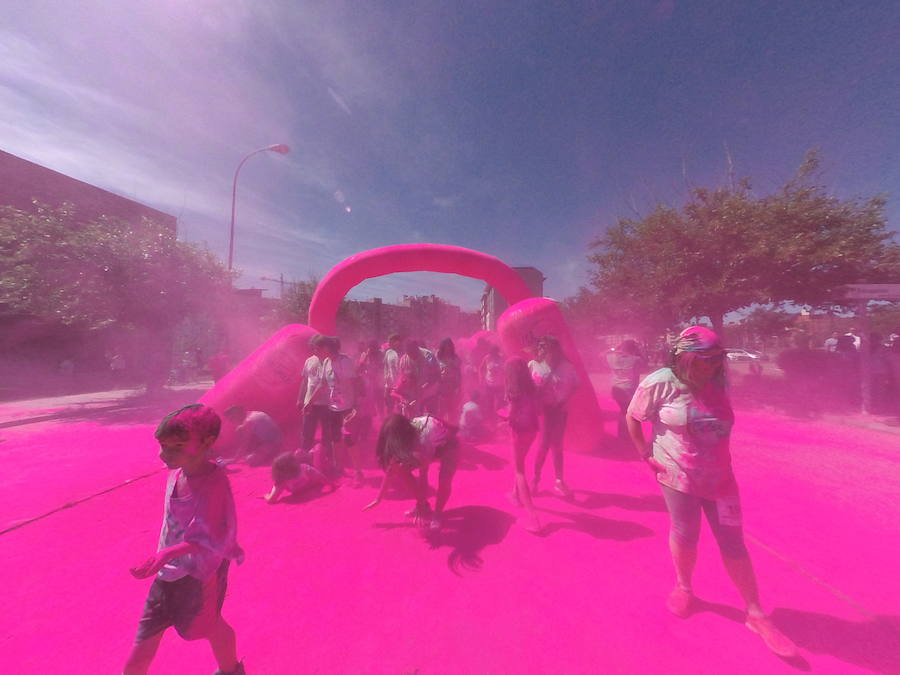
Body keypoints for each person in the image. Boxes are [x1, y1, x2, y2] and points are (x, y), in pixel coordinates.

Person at [625, 326, 797, 658]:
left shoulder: (719, 382)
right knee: (686, 533)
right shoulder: (659, 381)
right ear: (684, 357)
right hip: (677, 477)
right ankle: (684, 587)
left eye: (718, 358)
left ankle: (755, 613)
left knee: (733, 541)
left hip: (721, 480)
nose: (714, 365)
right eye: (706, 359)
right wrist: (645, 454)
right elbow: (633, 417)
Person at [124, 404, 245, 675]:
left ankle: (232, 670)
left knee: (205, 627)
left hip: (199, 575)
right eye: (163, 445)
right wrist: (164, 558)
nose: (164, 453)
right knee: (139, 653)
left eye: (176, 446)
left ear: (207, 442)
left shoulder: (214, 484)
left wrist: (165, 554)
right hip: (166, 576)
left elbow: (209, 536)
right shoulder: (176, 474)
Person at [363, 413, 459, 531]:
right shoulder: (401, 434)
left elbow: (423, 474)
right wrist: (379, 498)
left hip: (450, 448)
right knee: (400, 468)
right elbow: (392, 467)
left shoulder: (422, 439)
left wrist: (420, 506)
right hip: (430, 446)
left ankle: (437, 513)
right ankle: (425, 506)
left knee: (444, 481)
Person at [529, 335, 579, 497]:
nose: (541, 349)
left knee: (557, 445)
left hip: (560, 411)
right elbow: (527, 388)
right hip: (543, 412)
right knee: (543, 445)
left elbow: (576, 385)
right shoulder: (533, 365)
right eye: (540, 346)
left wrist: (564, 399)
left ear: (555, 349)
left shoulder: (567, 367)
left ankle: (559, 481)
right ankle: (535, 479)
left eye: (545, 346)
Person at [502, 357, 542, 532]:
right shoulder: (532, 389)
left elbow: (511, 414)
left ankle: (533, 518)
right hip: (532, 429)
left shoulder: (513, 391)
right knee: (521, 462)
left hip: (518, 431)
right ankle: (515, 494)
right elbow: (538, 410)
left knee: (519, 470)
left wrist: (502, 418)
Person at [323, 336, 364, 484]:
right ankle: (338, 468)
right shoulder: (326, 363)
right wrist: (309, 401)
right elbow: (323, 384)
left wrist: (356, 404)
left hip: (348, 407)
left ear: (332, 348)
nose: (322, 350)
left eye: (324, 347)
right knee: (335, 439)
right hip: (333, 407)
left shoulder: (345, 361)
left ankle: (358, 472)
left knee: (349, 439)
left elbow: (356, 382)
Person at [297, 334, 335, 472]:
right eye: (314, 348)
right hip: (310, 403)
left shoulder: (331, 362)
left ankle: (327, 460)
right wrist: (300, 398)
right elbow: (304, 381)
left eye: (318, 348)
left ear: (325, 348)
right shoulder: (309, 361)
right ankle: (305, 459)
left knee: (327, 433)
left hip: (327, 403)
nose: (316, 350)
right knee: (307, 432)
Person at [606, 339, 646, 439]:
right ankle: (626, 435)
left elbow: (604, 353)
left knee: (623, 411)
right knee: (628, 413)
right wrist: (640, 350)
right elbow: (644, 365)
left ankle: (623, 434)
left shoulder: (611, 358)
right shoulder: (635, 359)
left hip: (616, 388)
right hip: (629, 389)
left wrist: (617, 350)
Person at [264, 449, 334, 504]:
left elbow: (271, 500)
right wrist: (333, 485)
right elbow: (320, 476)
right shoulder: (303, 468)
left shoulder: (281, 482)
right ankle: (311, 454)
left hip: (312, 479)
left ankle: (309, 454)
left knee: (301, 451)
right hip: (315, 477)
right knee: (318, 448)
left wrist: (266, 495)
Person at [436, 337, 462, 421]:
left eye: (449, 346)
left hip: (452, 386)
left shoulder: (455, 358)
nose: (448, 349)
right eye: (446, 346)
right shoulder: (437, 357)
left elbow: (459, 373)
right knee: (441, 410)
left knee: (452, 409)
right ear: (442, 347)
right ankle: (440, 428)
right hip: (441, 387)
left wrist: (459, 386)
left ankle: (451, 428)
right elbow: (434, 371)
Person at [479, 344, 505, 418]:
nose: (494, 354)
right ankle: (491, 419)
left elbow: (505, 369)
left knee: (500, 402)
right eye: (492, 352)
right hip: (489, 384)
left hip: (499, 384)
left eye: (495, 352)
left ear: (497, 352)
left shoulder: (501, 358)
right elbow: (481, 368)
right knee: (489, 402)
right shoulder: (487, 358)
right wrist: (481, 378)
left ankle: (499, 418)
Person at [383, 334, 403, 415]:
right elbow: (385, 366)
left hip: (400, 385)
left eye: (390, 342)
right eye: (389, 342)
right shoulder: (388, 352)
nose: (389, 343)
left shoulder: (403, 353)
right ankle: (389, 422)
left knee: (400, 407)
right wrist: (385, 377)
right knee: (389, 406)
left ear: (397, 342)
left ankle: (401, 423)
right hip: (389, 385)